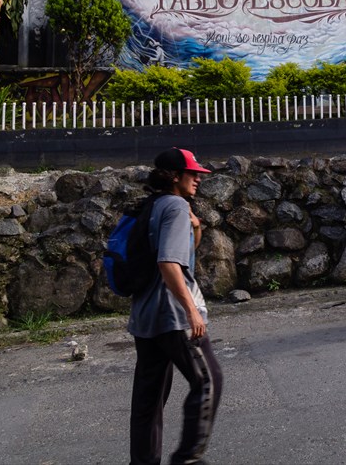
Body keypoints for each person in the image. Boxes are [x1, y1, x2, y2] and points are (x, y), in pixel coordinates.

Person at [130, 148, 222, 465]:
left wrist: (196, 229)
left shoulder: (151, 205)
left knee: (148, 401)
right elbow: (169, 264)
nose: (198, 178)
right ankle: (188, 458)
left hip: (145, 317)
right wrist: (191, 311)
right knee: (208, 380)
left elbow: (181, 256)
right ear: (174, 176)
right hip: (172, 316)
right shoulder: (176, 205)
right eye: (192, 172)